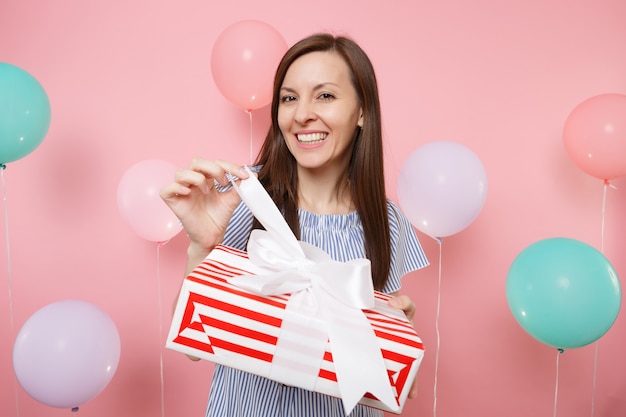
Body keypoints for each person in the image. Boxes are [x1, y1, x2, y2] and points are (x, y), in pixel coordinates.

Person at [161, 33, 429, 417]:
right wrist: (202, 247)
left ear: (362, 111)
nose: (302, 114)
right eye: (289, 98)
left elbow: (379, 370)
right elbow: (190, 347)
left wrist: (397, 337)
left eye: (325, 96)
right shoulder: (240, 196)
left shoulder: (387, 221)